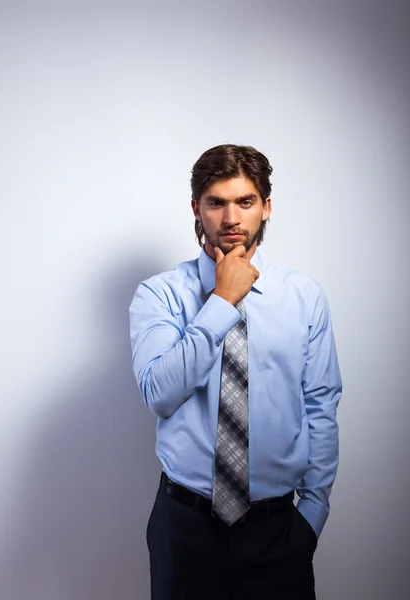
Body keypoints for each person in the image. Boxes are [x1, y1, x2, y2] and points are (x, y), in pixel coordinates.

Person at [129, 144, 342, 600]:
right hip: (184, 530)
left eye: (245, 202)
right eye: (216, 202)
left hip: (277, 531)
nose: (231, 218)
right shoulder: (160, 295)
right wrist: (222, 301)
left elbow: (320, 406)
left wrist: (313, 515)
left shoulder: (304, 297)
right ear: (196, 209)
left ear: (265, 207)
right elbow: (161, 395)